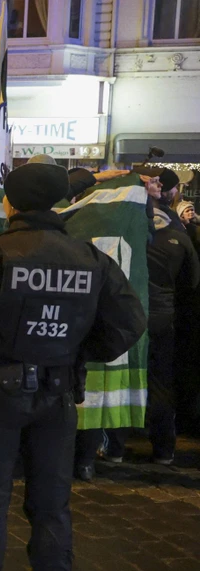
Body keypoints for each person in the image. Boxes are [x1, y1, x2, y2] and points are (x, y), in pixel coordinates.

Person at [0, 162, 146, 571]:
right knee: (52, 503)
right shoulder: (90, 259)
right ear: (60, 202)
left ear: (9, 202)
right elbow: (129, 322)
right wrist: (75, 352)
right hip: (58, 395)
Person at [104, 168, 198, 467]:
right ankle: (164, 451)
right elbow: (192, 281)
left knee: (122, 381)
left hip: (128, 316)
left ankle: (115, 448)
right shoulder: (178, 235)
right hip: (162, 318)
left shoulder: (124, 227)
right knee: (160, 383)